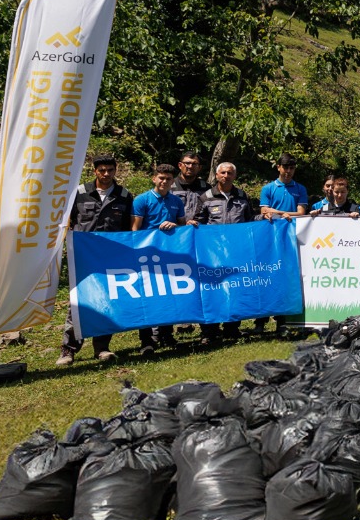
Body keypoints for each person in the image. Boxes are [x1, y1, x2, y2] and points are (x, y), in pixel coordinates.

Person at [57, 154, 133, 366]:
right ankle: (68, 350)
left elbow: (127, 230)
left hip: (110, 259)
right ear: (94, 171)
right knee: (78, 304)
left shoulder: (124, 196)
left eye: (110, 170)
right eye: (102, 170)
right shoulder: (79, 194)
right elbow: (66, 223)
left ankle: (102, 347)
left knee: (105, 301)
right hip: (83, 258)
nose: (106, 174)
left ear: (115, 171)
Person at [132, 162, 189, 354]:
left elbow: (183, 228)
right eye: (161, 178)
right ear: (154, 178)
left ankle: (166, 335)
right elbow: (135, 231)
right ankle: (146, 340)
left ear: (173, 181)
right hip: (147, 258)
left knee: (168, 296)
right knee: (147, 298)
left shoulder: (176, 201)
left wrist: (174, 226)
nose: (164, 181)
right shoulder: (142, 200)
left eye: (168, 179)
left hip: (170, 257)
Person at [196, 161, 254, 343]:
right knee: (212, 291)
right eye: (222, 173)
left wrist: (266, 217)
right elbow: (198, 222)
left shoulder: (243, 196)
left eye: (230, 173)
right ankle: (209, 331)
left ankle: (232, 328)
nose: (226, 176)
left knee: (235, 290)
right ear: (216, 175)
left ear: (234, 176)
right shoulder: (205, 197)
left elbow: (250, 221)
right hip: (212, 254)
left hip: (237, 253)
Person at [259, 154, 309, 219]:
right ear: (278, 167)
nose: (288, 171)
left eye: (291, 168)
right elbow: (264, 212)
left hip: (293, 227)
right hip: (273, 226)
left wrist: (278, 212)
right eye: (285, 168)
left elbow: (301, 213)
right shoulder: (267, 189)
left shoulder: (301, 189)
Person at [172, 151, 210, 226]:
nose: (190, 166)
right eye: (187, 163)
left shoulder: (206, 188)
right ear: (180, 165)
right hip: (175, 231)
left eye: (194, 164)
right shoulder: (169, 186)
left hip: (198, 230)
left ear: (199, 167)